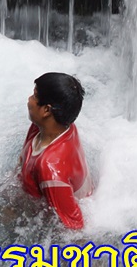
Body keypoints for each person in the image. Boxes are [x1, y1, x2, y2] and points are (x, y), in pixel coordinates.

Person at [20, 72, 90, 231]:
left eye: (34, 96)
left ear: (46, 110)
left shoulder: (50, 169)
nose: (29, 99)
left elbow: (75, 229)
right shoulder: (54, 126)